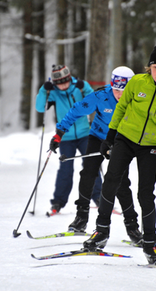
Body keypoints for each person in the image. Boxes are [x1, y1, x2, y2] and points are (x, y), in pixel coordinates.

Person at [83, 41, 156, 265]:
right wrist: (110, 136)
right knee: (111, 181)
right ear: (149, 67)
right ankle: (101, 231)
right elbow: (121, 108)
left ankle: (150, 243)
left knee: (145, 194)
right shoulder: (136, 83)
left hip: (150, 146)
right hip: (125, 138)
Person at [50, 66, 143, 245]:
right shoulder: (101, 96)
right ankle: (81, 218)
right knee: (88, 173)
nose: (119, 94)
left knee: (122, 183)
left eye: (124, 91)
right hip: (99, 137)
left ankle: (132, 227)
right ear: (111, 86)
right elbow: (76, 110)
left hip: (121, 142)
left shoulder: (138, 101)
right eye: (116, 89)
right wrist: (59, 133)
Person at [35, 64, 102, 214]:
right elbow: (40, 108)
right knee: (65, 169)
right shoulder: (53, 93)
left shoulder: (78, 88)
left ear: (69, 78)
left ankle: (99, 198)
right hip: (65, 137)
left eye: (65, 82)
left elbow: (94, 99)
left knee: (91, 165)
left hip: (85, 134)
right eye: (59, 84)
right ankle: (58, 202)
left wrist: (84, 86)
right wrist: (43, 90)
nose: (63, 86)